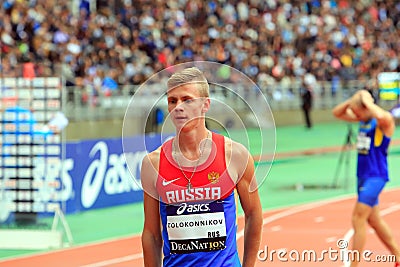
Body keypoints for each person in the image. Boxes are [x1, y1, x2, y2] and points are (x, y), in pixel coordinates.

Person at [140, 67, 263, 267]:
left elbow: (253, 214)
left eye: (187, 100)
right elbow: (152, 234)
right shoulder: (153, 163)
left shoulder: (235, 156)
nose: (179, 107)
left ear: (205, 105)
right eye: (173, 101)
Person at [332, 89, 400, 267]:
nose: (354, 114)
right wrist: (353, 100)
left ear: (368, 107)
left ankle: (354, 265)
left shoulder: (382, 121)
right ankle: (398, 256)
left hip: (375, 176)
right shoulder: (362, 119)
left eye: (357, 110)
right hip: (362, 176)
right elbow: (337, 113)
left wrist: (366, 101)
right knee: (374, 220)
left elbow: (383, 116)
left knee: (357, 218)